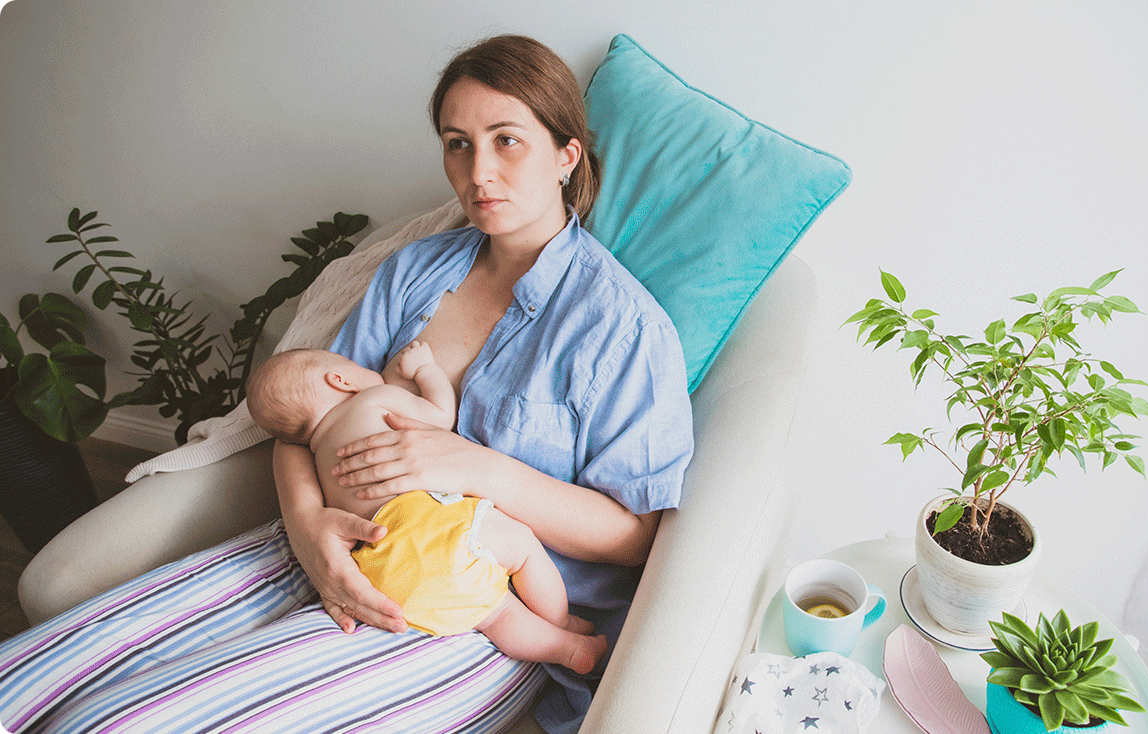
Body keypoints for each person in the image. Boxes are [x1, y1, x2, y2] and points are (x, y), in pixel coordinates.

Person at [0, 34, 693, 734]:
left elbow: (633, 533)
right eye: (457, 143)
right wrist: (310, 533)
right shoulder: (412, 271)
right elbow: (303, 425)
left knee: (107, 723)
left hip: (472, 610)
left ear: (565, 155)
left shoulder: (621, 328)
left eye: (506, 140)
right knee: (24, 690)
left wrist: (474, 465)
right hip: (333, 540)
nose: (478, 170)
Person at [246, 344, 608, 675]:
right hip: (432, 527)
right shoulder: (372, 399)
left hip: (384, 572)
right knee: (523, 549)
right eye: (352, 364)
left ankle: (567, 650)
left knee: (494, 614)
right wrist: (425, 370)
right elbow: (438, 416)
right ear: (340, 380)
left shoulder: (315, 454)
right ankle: (561, 623)